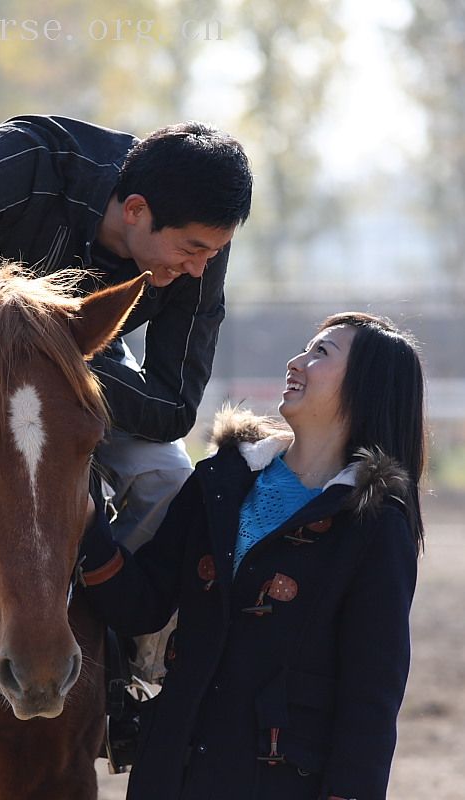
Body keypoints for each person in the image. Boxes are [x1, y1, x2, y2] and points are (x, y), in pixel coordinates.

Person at [0, 115, 253, 554]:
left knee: (169, 481)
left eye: (211, 253)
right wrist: (21, 344)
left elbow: (173, 404)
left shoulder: (202, 240)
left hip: (82, 353)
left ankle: (110, 609)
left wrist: (46, 363)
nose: (198, 268)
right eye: (191, 250)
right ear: (136, 210)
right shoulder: (27, 154)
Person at [79, 311, 425, 800]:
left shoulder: (375, 524)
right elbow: (143, 604)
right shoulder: (220, 480)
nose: (296, 361)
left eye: (320, 353)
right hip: (171, 774)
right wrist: (88, 526)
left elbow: (370, 698)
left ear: (367, 385)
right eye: (306, 348)